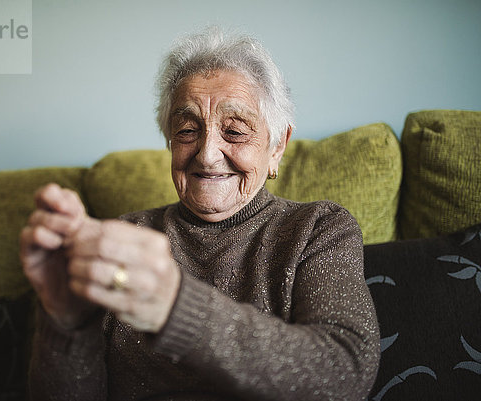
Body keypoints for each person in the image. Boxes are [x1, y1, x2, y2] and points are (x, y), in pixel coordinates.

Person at [20, 27, 380, 401]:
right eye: (188, 130)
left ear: (276, 147)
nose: (207, 154)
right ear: (169, 140)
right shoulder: (123, 241)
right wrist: (66, 324)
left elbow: (346, 371)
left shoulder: (318, 229)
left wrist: (176, 307)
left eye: (236, 131)